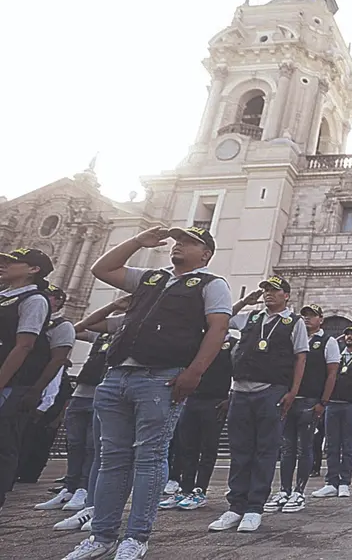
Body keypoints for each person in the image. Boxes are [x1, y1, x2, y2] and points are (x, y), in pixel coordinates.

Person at [61, 226, 231, 560]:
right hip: (117, 375)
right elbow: (102, 270)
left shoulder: (212, 284)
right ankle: (103, 535)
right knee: (111, 459)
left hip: (161, 377)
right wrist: (138, 241)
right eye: (178, 240)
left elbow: (218, 327)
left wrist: (194, 371)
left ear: (206, 254)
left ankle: (137, 536)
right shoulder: (151, 278)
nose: (179, 244)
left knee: (150, 457)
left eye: (190, 242)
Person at [208, 276, 306, 534]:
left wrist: (293, 392)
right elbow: (223, 319)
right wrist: (244, 301)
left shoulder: (293, 323)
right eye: (265, 291)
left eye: (274, 291)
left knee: (265, 450)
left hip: (270, 391)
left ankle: (254, 508)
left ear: (286, 295)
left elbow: (300, 358)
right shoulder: (251, 318)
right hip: (241, 390)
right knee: (240, 450)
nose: (267, 295)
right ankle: (235, 506)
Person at [52, 300, 127, 532]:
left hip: (108, 392)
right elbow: (78, 328)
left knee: (93, 446)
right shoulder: (108, 330)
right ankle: (71, 486)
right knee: (74, 443)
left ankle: (86, 492)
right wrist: (112, 306)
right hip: (83, 391)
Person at [265, 304, 340, 513]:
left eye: (312, 316)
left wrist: (323, 402)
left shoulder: (328, 342)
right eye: (304, 315)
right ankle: (284, 490)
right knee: (287, 448)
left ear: (321, 320)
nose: (307, 319)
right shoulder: (293, 339)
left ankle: (299, 492)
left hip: (310, 401)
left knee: (304, 446)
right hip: (289, 400)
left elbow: (332, 374)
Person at [158, 324, 235, 512]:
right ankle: (184, 489)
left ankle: (200, 490)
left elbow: (237, 371)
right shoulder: (200, 343)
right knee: (186, 447)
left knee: (208, 448)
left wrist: (229, 397)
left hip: (215, 401)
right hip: (192, 399)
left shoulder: (233, 345)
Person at [0, 248, 53, 516]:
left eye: (11, 262)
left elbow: (24, 345)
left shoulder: (34, 299)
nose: (3, 265)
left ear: (33, 269)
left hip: (11, 382)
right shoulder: (3, 297)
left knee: (3, 440)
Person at [29, 286, 79, 506]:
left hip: (49, 387)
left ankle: (29, 472)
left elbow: (58, 362)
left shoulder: (62, 325)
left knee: (39, 433)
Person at [312, 325, 352, 499]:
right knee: (331, 445)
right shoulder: (337, 357)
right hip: (333, 404)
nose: (349, 337)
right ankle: (331, 482)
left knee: (348, 445)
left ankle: (344, 482)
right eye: (346, 334)